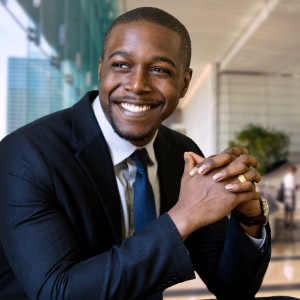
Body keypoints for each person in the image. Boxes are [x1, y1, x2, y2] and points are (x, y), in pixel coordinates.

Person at [0, 7, 297, 300]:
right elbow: (58, 292)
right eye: (121, 65)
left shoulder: (181, 152)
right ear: (101, 67)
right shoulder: (26, 154)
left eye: (159, 70)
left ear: (184, 83)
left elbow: (234, 288)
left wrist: (249, 218)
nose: (137, 85)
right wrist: (185, 216)